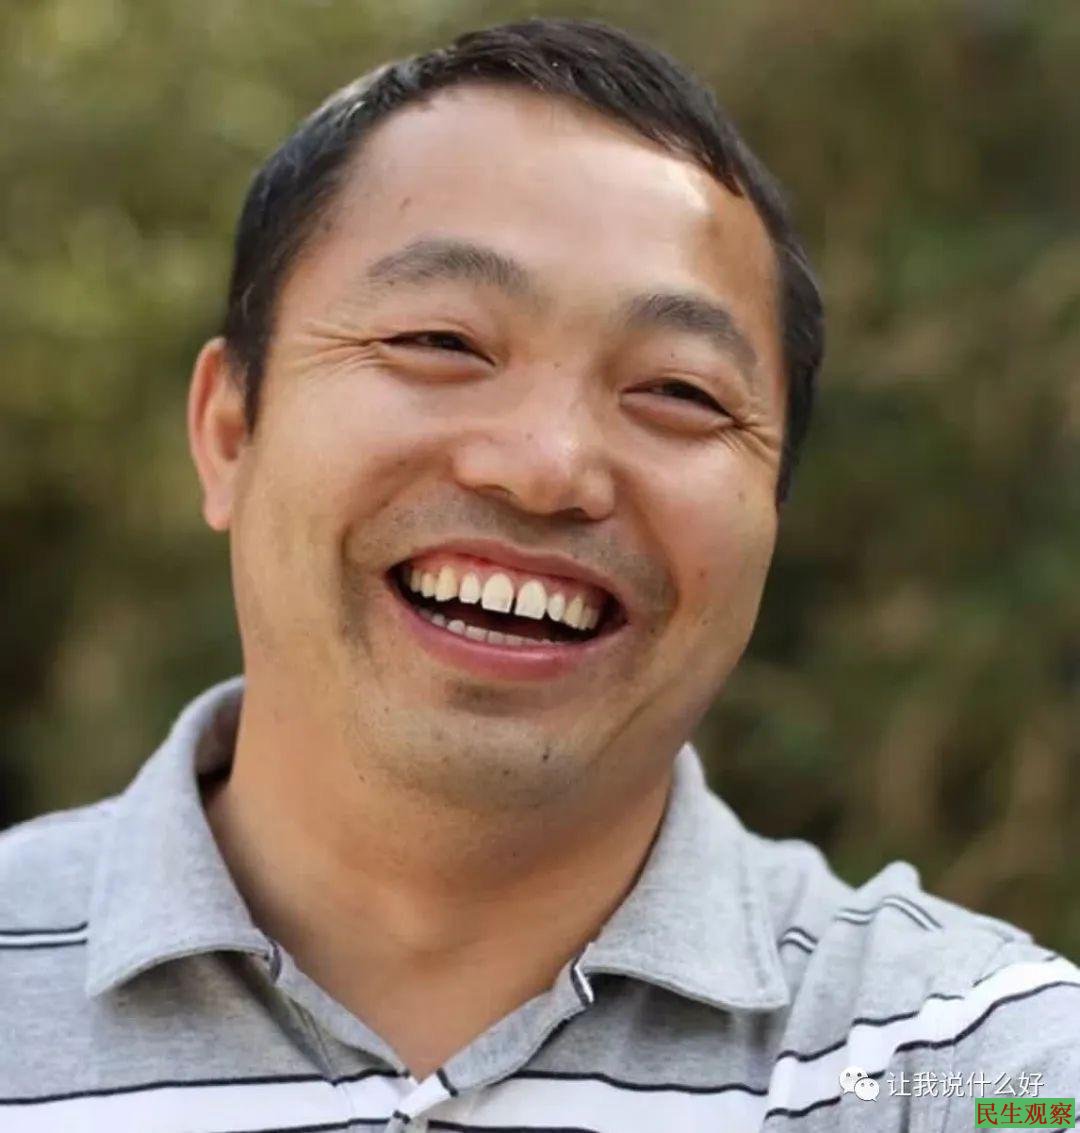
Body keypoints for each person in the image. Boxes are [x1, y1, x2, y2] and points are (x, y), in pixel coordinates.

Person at [1, 17, 1075, 1133]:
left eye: (679, 391)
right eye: (442, 341)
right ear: (229, 432)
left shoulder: (957, 1068)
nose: (546, 466)